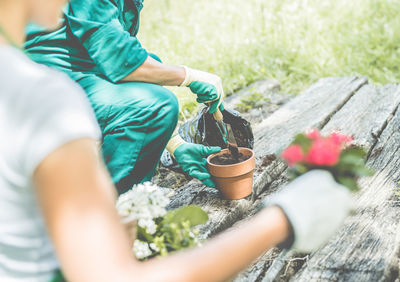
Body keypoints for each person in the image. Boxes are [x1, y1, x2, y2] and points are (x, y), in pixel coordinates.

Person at [0, 0, 352, 281]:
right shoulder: (46, 99)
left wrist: (175, 145)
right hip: (67, 80)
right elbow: (119, 61)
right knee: (157, 103)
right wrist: (283, 220)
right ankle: (116, 218)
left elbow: (124, 56)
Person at [25, 0, 226, 194]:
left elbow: (122, 47)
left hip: (76, 75)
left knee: (153, 66)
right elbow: (121, 60)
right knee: (155, 107)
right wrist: (187, 76)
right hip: (44, 86)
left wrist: (176, 143)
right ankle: (110, 210)